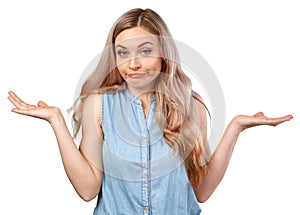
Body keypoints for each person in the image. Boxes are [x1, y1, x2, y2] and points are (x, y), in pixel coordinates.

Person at [7, 8, 293, 215]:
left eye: (145, 51)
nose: (133, 64)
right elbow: (87, 190)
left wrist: (235, 128)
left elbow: (201, 191)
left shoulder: (191, 105)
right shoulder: (99, 104)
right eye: (123, 53)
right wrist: (56, 121)